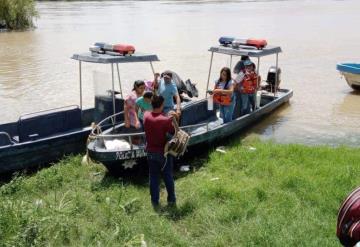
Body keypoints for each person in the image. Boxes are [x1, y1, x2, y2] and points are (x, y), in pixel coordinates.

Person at [143, 95, 176, 208]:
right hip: (163, 153)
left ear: (152, 104)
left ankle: (154, 201)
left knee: (153, 177)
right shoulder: (165, 120)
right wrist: (173, 118)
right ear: (162, 105)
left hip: (150, 152)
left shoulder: (146, 115)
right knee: (168, 176)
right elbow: (173, 132)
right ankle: (171, 200)